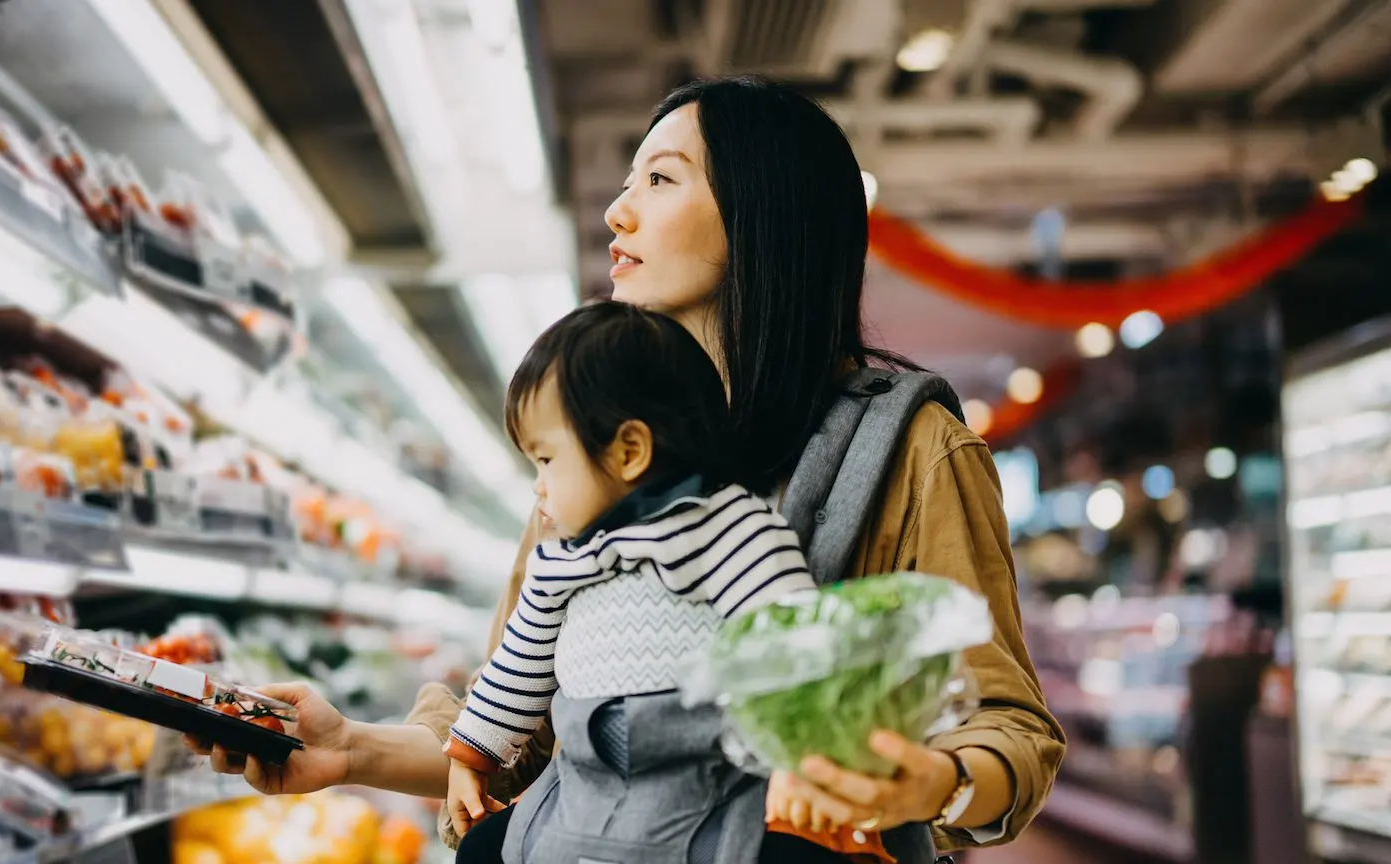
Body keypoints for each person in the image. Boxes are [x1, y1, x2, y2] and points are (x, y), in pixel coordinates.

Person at [188, 75, 1065, 862]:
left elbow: (1007, 727)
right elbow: (527, 725)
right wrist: (353, 751)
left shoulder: (910, 447)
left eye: (660, 178)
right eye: (625, 181)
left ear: (764, 212)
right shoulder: (596, 446)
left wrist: (931, 782)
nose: (617, 211)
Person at [446, 299, 839, 861]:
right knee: (484, 849)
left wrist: (809, 761)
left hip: (714, 790)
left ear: (629, 450)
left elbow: (795, 648)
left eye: (547, 460)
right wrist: (470, 757)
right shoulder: (558, 560)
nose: (538, 487)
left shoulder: (729, 531)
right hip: (583, 787)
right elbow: (518, 665)